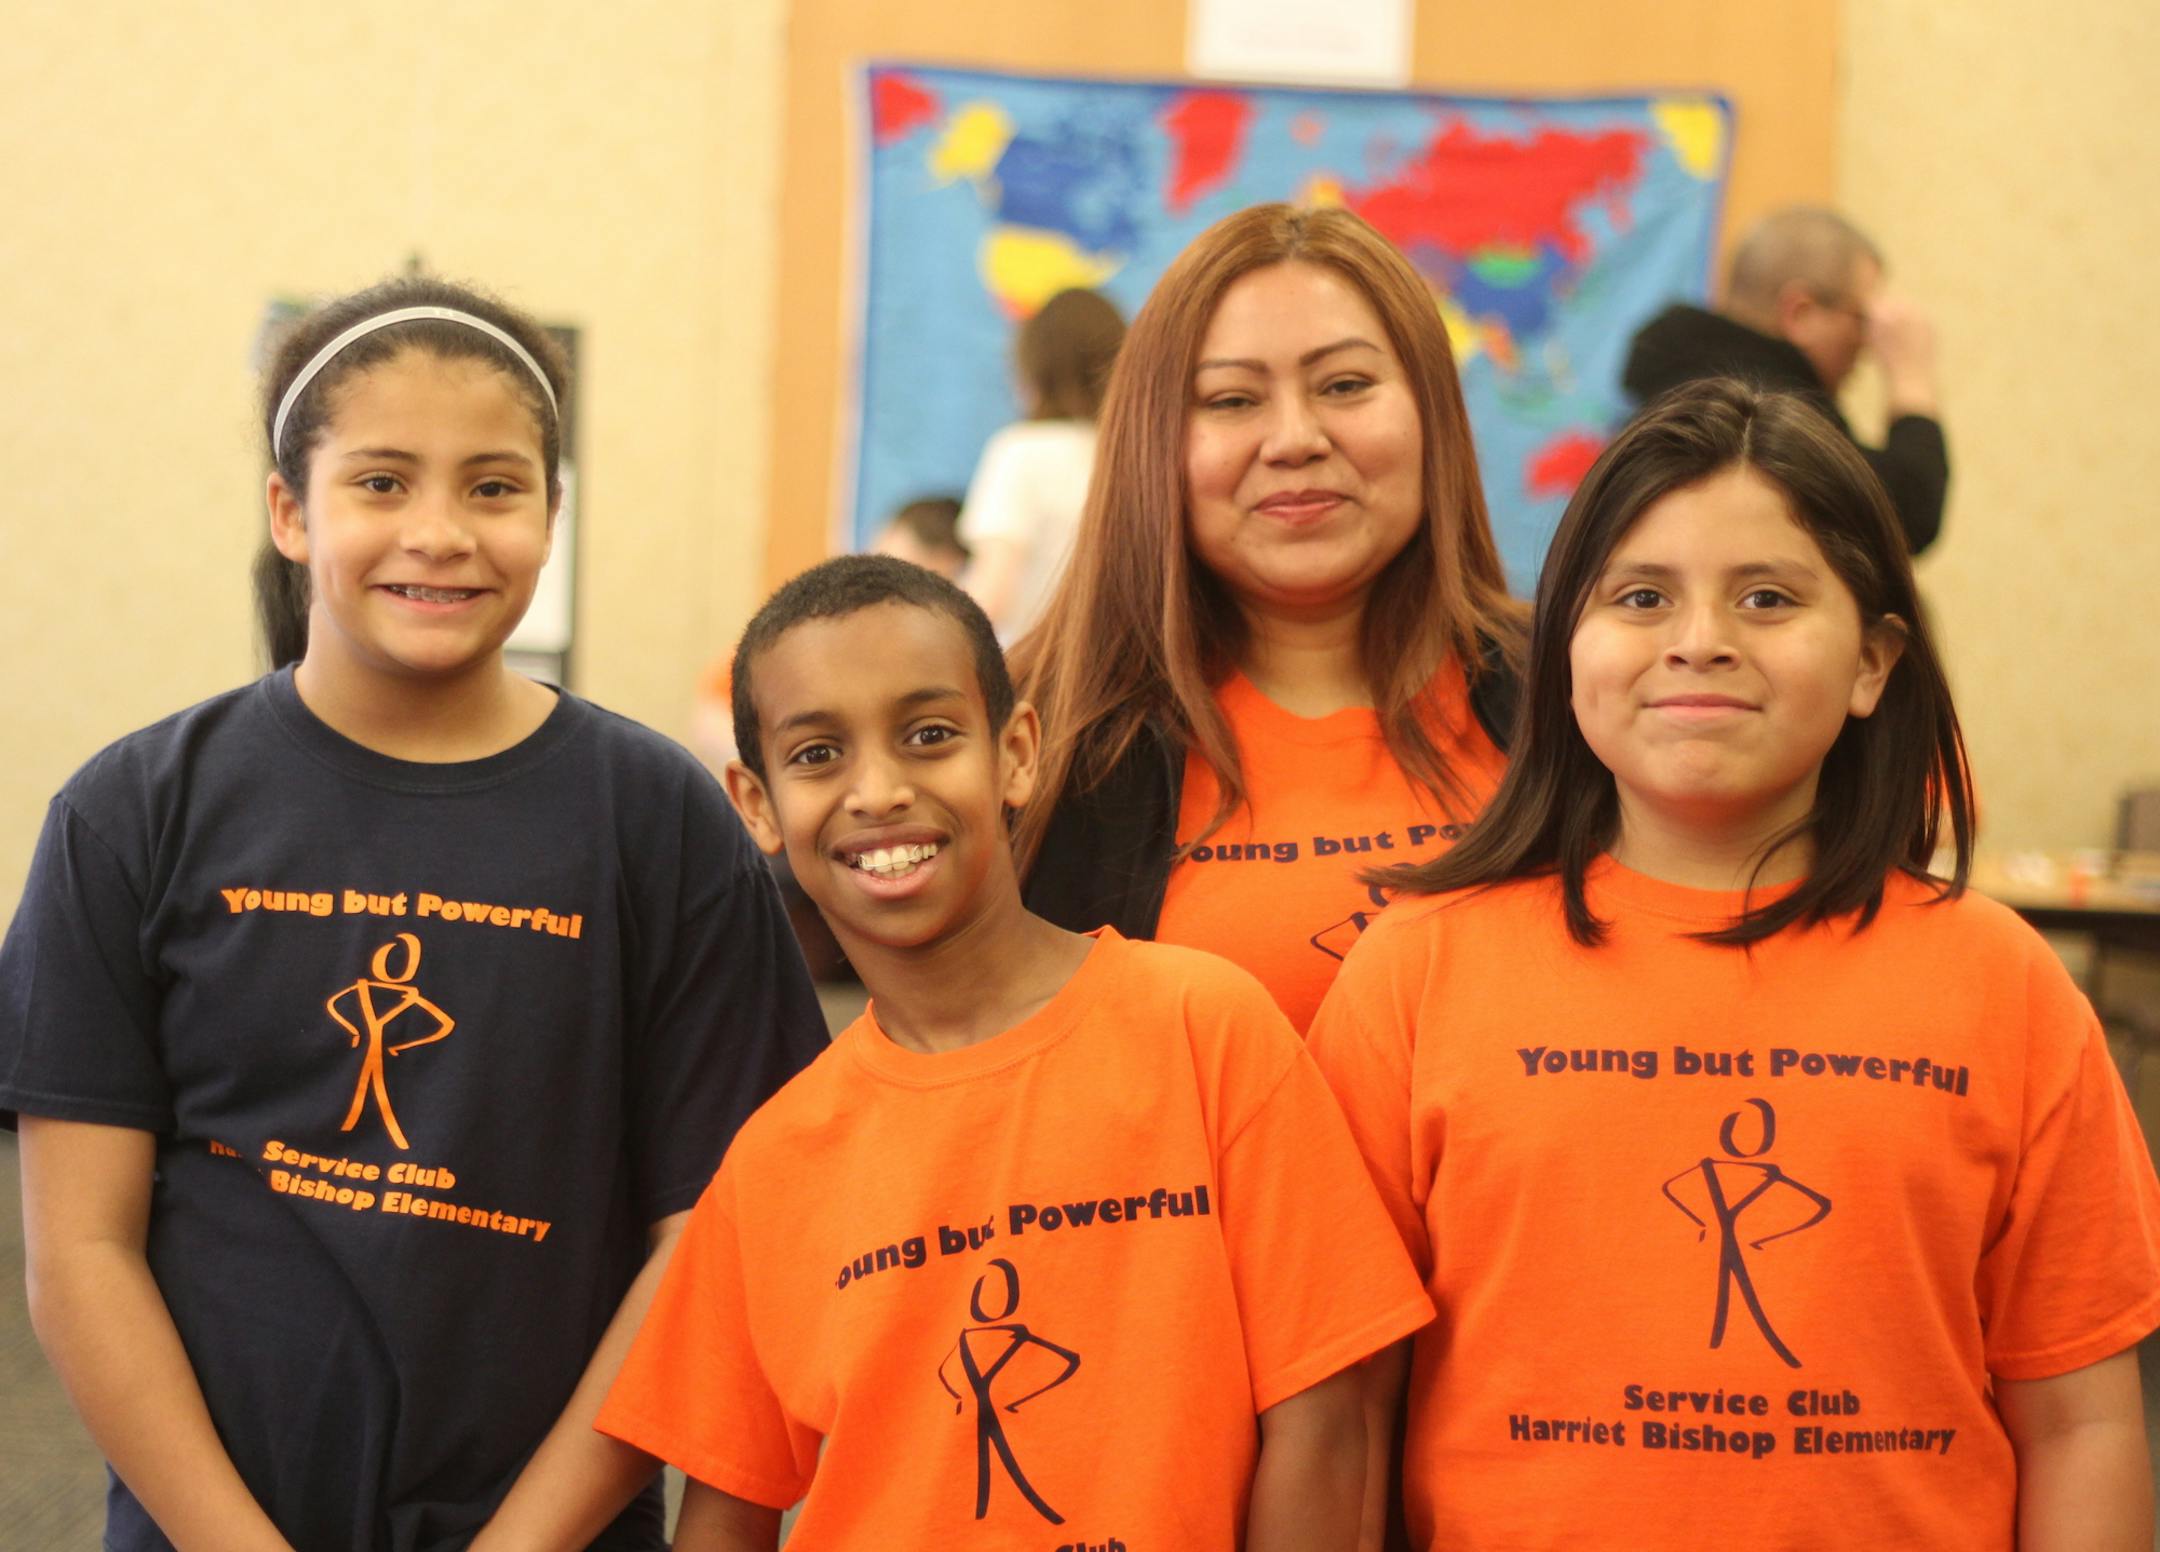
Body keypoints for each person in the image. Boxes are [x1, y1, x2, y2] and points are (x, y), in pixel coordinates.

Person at [0, 277, 828, 1551]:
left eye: (493, 487)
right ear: (290, 510)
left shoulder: (656, 819)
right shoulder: (134, 812)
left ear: (551, 515)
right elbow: (79, 1254)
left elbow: (704, 1248)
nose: (439, 533)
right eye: (381, 482)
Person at [1307, 379, 2160, 1550]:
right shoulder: (1414, 972)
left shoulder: (2005, 986)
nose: (1700, 639)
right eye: (1641, 596)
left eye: (1767, 597)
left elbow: (2081, 1423)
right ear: (1565, 650)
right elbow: (1342, 1410)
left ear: (1872, 663)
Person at [595, 555, 1432, 1549]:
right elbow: (726, 1510)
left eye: (930, 735)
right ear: (758, 804)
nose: (879, 790)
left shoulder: (1207, 1028)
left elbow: (1327, 1413)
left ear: (1018, 753)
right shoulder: (773, 1162)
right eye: (818, 754)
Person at [1013, 203, 1525, 1032]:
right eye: (1231, 399)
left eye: (1345, 385)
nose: (1294, 439)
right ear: (1154, 443)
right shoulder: (1035, 741)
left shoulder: (1575, 693)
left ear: (1433, 411)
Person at [1623, 205, 1949, 555]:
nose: (1865, 344)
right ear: (1801, 313)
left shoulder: (1672, 388)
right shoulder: (1762, 411)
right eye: (1861, 319)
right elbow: (1906, 516)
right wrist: (1911, 376)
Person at [958, 286, 1125, 641]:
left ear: (1033, 368)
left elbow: (992, 593)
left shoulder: (1021, 452)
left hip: (1031, 664)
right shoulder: (1131, 455)